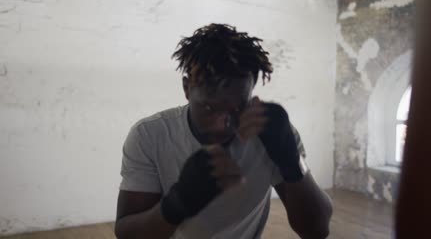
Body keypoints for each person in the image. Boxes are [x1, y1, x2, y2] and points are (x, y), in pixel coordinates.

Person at [114, 24, 333, 239]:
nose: (222, 124)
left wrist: (292, 161)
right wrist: (177, 202)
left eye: (238, 108)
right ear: (186, 88)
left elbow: (317, 230)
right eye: (209, 107)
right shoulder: (150, 135)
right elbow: (126, 233)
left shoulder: (269, 132)